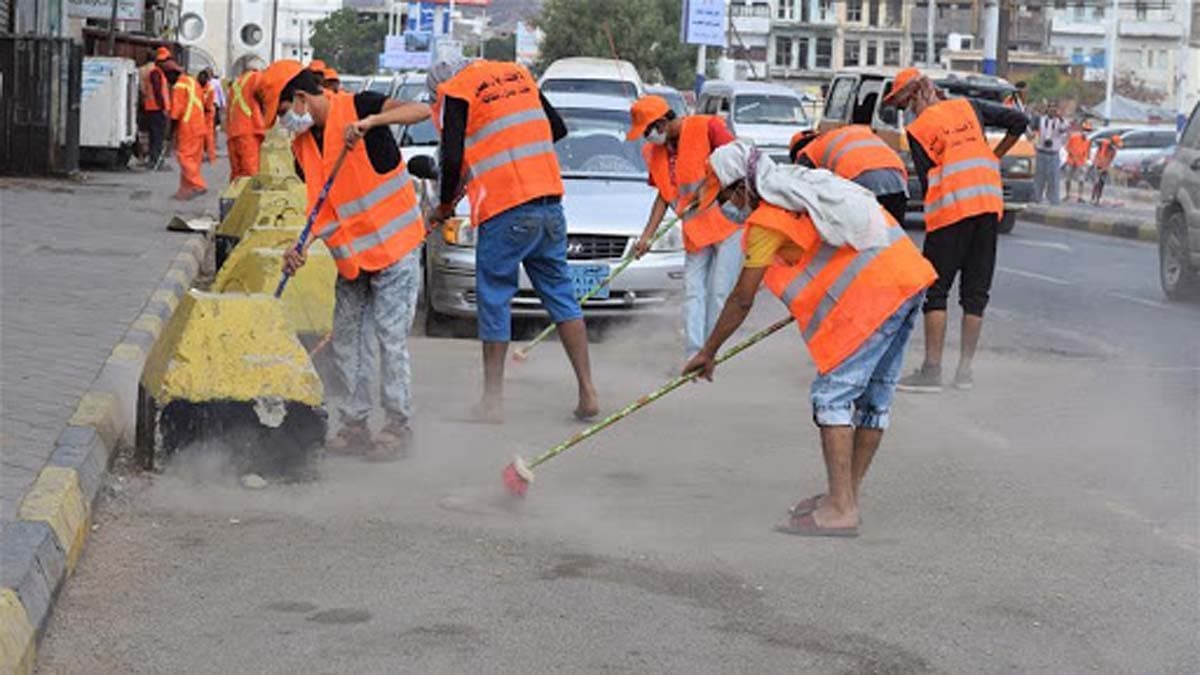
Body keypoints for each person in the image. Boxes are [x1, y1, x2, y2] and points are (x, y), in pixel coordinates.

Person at [683, 141, 936, 537]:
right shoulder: (802, 182)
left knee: (831, 397)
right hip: (908, 277)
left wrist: (708, 351)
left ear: (743, 186)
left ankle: (841, 509)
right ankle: (845, 497)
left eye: (727, 195)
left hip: (876, 297)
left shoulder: (769, 219)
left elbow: (742, 298)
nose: (728, 205)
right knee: (874, 399)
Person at [261, 60, 431, 461]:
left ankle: (397, 425)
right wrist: (301, 246)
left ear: (301, 98)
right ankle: (354, 424)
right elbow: (322, 208)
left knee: (389, 339)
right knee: (347, 340)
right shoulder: (302, 147)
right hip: (352, 259)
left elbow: (421, 110)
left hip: (394, 250)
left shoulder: (360, 106)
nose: (285, 122)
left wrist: (372, 123)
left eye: (284, 112)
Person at [428, 57, 600, 423]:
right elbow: (557, 128)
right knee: (562, 297)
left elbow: (453, 158)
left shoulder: (456, 91)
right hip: (549, 204)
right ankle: (588, 391)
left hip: (505, 208)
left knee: (494, 300)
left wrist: (444, 205)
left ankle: (492, 402)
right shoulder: (518, 75)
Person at [882, 67, 1028, 393]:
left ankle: (932, 372)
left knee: (936, 291)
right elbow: (1019, 121)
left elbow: (928, 179)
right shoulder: (969, 108)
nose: (907, 113)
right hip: (987, 205)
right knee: (975, 294)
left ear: (916, 96)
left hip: (950, 211)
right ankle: (964, 373)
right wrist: (993, 157)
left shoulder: (919, 130)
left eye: (905, 104)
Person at [626, 95, 742, 359]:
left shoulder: (708, 127)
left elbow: (739, 165)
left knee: (720, 292)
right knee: (693, 293)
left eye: (646, 131)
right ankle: (694, 355)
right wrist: (646, 237)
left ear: (661, 122)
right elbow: (663, 196)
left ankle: (712, 353)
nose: (646, 138)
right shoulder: (655, 152)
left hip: (728, 226)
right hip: (696, 230)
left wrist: (711, 185)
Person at [788, 126, 909, 223]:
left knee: (858, 237)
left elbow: (800, 191)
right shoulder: (839, 136)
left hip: (859, 180)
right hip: (897, 178)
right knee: (895, 237)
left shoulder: (808, 151)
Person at [167, 62, 208, 200]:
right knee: (193, 160)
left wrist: (170, 133)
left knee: (184, 157)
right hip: (199, 125)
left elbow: (175, 112)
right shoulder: (193, 82)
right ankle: (185, 190)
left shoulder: (179, 86)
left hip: (188, 127)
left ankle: (198, 185)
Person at [226, 63, 266, 180]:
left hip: (233, 132)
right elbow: (264, 94)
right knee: (250, 172)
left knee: (237, 173)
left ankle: (236, 192)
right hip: (249, 130)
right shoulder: (255, 76)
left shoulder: (235, 84)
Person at [139, 47, 172, 169]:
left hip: (151, 107)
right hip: (156, 108)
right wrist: (163, 107)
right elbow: (158, 91)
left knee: (154, 135)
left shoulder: (149, 71)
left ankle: (153, 160)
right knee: (157, 136)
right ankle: (155, 161)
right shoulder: (156, 72)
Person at [1031, 102, 1069, 204]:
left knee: (1054, 178)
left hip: (1053, 153)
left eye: (1054, 108)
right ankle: (1036, 198)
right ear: (1047, 109)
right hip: (1041, 151)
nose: (1052, 110)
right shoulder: (1041, 119)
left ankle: (1053, 199)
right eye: (1050, 108)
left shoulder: (1060, 121)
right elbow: (1032, 130)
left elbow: (1065, 128)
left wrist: (1060, 117)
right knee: (1039, 177)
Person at [1064, 122, 1091, 203]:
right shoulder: (1074, 137)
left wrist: (1086, 161)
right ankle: (1067, 194)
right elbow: (1067, 147)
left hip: (1081, 162)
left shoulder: (1088, 141)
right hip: (1071, 161)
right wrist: (1073, 155)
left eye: (1088, 130)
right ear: (1081, 130)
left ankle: (1080, 196)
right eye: (1085, 130)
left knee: (1081, 179)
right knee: (1068, 178)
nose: (1086, 132)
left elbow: (1087, 153)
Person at [1091, 135, 1122, 206]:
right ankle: (1093, 198)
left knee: (1101, 183)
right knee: (1096, 182)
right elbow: (1100, 155)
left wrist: (1105, 168)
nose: (1116, 147)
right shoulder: (1104, 144)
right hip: (1097, 165)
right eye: (1115, 145)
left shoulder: (1114, 151)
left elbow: (1110, 160)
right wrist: (1098, 166)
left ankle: (1098, 199)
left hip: (1105, 167)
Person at [198, 69, 218, 164]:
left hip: (208, 115)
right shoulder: (197, 87)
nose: (201, 80)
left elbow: (208, 105)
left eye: (203, 78)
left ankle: (211, 156)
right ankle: (200, 154)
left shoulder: (210, 89)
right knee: (199, 136)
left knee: (208, 136)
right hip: (199, 114)